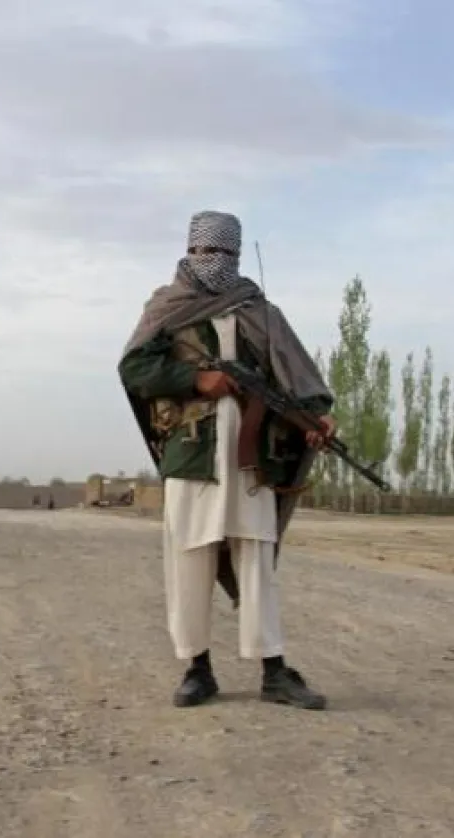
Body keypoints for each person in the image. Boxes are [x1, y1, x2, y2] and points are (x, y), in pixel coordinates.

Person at [117, 210, 336, 711]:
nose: (211, 261)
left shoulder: (260, 311)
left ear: (237, 255)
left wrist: (317, 416)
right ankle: (197, 668)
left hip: (252, 459)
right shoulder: (166, 307)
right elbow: (135, 368)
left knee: (256, 559)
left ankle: (274, 670)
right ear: (189, 250)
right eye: (203, 251)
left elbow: (297, 376)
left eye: (222, 252)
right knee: (189, 561)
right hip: (192, 454)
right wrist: (195, 380)